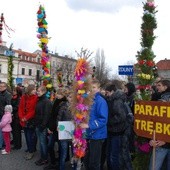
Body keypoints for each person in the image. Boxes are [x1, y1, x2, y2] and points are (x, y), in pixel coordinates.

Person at [80, 79, 108, 170]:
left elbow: (103, 119)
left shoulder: (100, 101)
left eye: (94, 87)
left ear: (99, 89)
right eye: (90, 87)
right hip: (88, 134)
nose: (92, 89)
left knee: (94, 162)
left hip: (97, 136)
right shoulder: (87, 99)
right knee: (86, 160)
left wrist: (89, 125)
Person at [105, 80, 131, 170]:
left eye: (107, 92)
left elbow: (121, 116)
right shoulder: (113, 99)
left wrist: (108, 121)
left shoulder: (117, 101)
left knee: (114, 155)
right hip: (114, 130)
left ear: (112, 92)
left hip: (117, 130)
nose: (106, 94)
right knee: (113, 154)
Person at [149, 79, 170, 170]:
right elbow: (152, 121)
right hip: (160, 142)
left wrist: (166, 140)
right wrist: (151, 139)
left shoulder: (163, 98)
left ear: (166, 87)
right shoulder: (156, 98)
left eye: (159, 85)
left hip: (163, 142)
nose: (157, 87)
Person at [44, 89, 67, 170]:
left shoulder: (64, 104)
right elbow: (52, 116)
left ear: (63, 95)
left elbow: (59, 118)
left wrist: (52, 127)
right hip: (54, 128)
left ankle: (59, 164)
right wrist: (50, 127)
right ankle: (53, 162)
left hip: (60, 128)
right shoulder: (56, 101)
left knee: (61, 148)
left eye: (59, 94)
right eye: (57, 93)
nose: (57, 95)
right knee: (50, 146)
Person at [18, 84, 38, 160]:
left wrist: (26, 118)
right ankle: (30, 148)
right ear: (30, 90)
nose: (35, 91)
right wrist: (21, 117)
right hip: (23, 119)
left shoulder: (36, 98)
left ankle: (31, 151)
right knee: (26, 135)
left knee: (30, 136)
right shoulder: (24, 97)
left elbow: (34, 110)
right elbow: (20, 107)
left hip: (31, 120)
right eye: (34, 89)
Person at [34, 86, 52, 166]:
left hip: (42, 126)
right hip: (38, 124)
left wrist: (43, 126)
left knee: (43, 143)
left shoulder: (46, 101)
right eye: (37, 91)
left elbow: (47, 115)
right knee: (41, 143)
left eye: (39, 91)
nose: (37, 92)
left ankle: (44, 159)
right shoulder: (40, 100)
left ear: (44, 92)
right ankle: (43, 157)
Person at [0, 82, 12, 149]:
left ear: (5, 87)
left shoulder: (8, 95)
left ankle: (2, 144)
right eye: (0, 86)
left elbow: (8, 105)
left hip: (4, 115)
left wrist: (6, 115)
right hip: (1, 113)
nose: (0, 87)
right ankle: (4, 143)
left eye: (1, 86)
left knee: (2, 130)